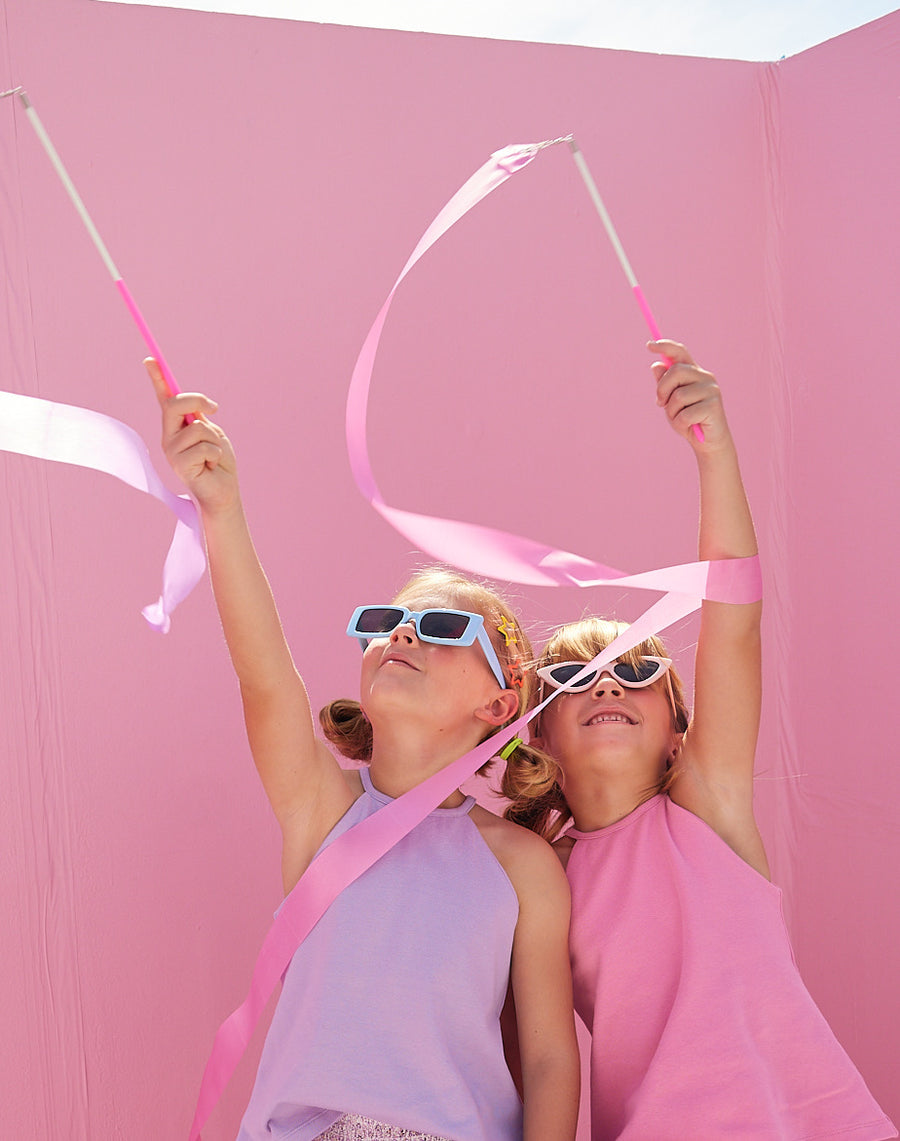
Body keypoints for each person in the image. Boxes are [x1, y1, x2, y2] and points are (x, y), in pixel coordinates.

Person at [146, 360, 579, 1141]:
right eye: (387, 621)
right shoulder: (325, 808)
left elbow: (549, 1055)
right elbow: (266, 676)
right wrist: (222, 506)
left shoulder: (522, 862)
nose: (403, 633)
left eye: (446, 628)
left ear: (500, 704)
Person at [503, 341, 897, 1141]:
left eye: (637, 667)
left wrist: (713, 448)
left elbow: (734, 612)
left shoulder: (705, 808)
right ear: (538, 730)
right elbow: (529, 1062)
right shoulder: (538, 878)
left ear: (680, 725)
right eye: (575, 674)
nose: (608, 683)